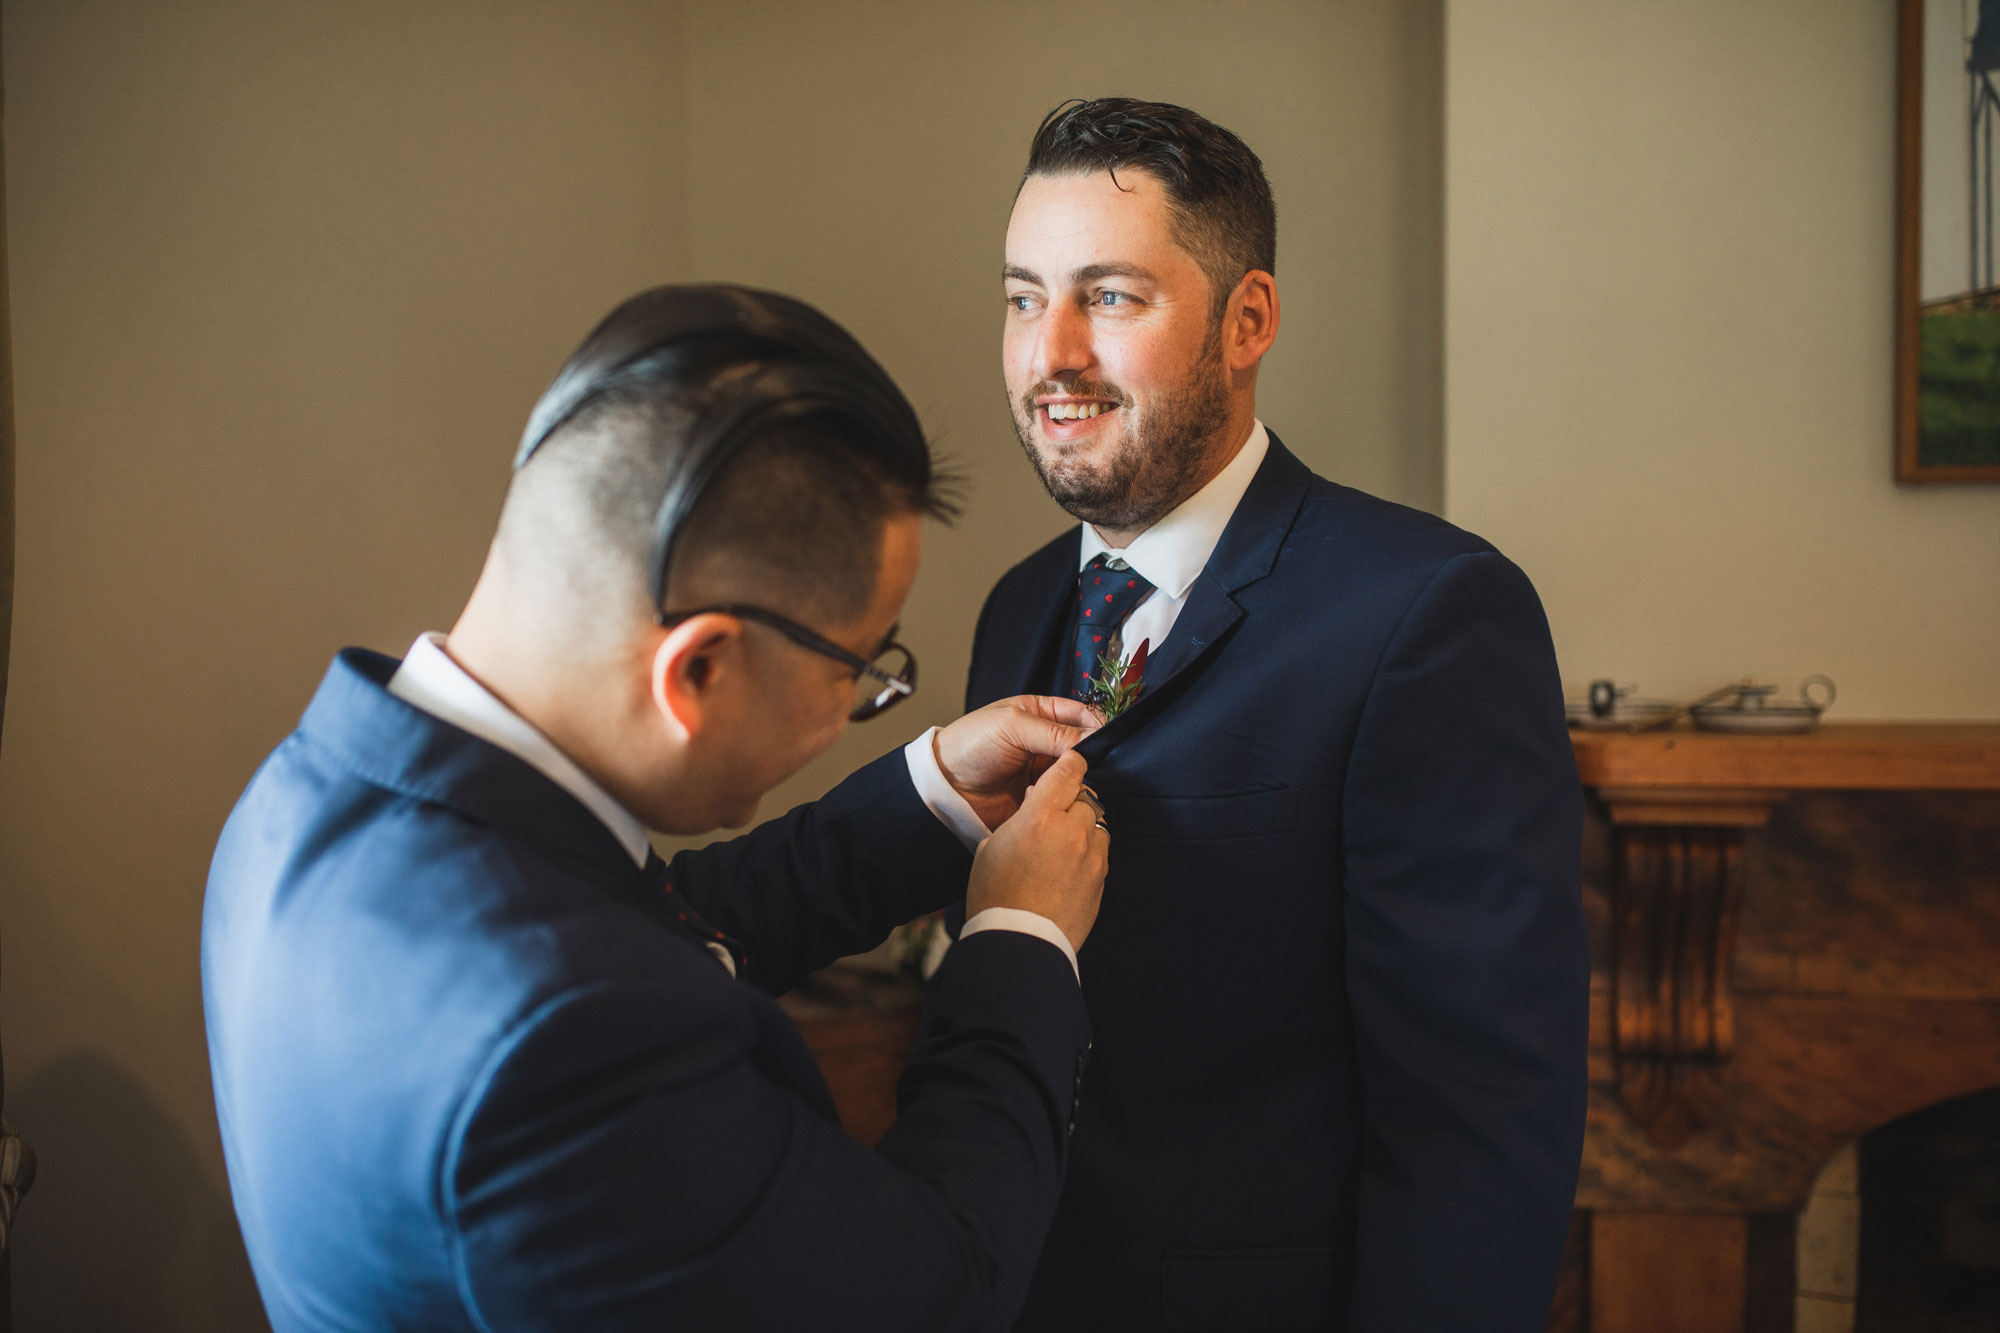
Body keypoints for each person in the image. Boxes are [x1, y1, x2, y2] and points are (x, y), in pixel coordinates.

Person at [204, 284, 1112, 1331]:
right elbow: (940, 1290)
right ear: (697, 669)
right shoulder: (567, 1044)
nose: (858, 705)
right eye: (860, 669)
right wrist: (1018, 938)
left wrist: (933, 795)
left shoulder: (312, 790)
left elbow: (654, 925)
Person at [966, 98, 1589, 1330]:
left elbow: (1479, 1121)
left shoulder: (1428, 614)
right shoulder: (1015, 608)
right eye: (1024, 297)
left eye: (1111, 296)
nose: (1053, 356)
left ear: (1245, 320)